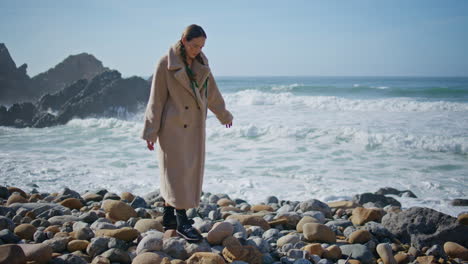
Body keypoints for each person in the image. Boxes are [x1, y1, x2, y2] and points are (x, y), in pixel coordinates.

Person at [140, 24, 233, 242]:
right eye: (194, 45)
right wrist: (150, 132)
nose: (197, 50)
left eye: (201, 46)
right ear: (184, 41)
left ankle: (169, 218)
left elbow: (212, 94)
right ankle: (182, 223)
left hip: (194, 128)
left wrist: (224, 115)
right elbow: (157, 100)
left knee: (183, 172)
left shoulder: (202, 63)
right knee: (176, 174)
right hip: (172, 127)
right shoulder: (166, 64)